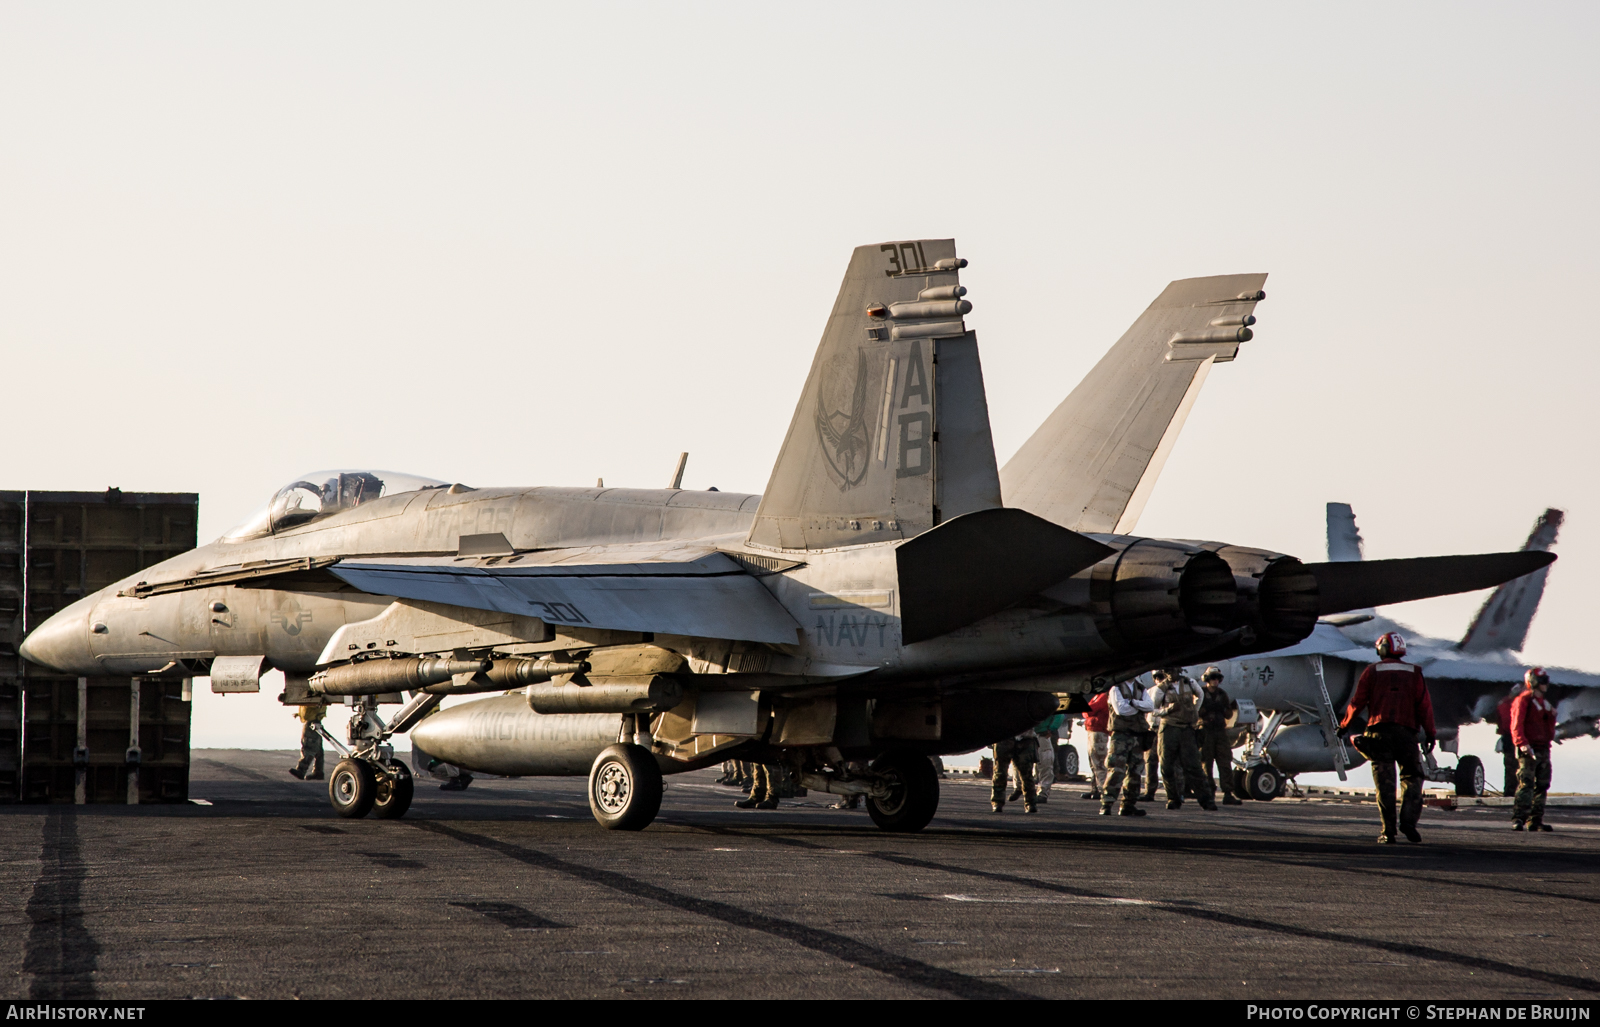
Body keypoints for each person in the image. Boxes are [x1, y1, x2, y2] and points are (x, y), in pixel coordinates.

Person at [1339, 632, 1436, 844]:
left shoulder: (1372, 671)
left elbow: (1357, 702)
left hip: (1379, 734)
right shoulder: (1415, 672)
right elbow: (1424, 706)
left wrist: (1343, 725)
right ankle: (1409, 824)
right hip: (1407, 735)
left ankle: (1388, 832)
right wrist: (1430, 733)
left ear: (1382, 648)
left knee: (1385, 785)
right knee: (1412, 778)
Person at [1153, 667, 1215, 810]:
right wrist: (1167, 711)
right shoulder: (1161, 689)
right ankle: (1173, 798)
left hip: (1186, 729)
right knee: (1166, 766)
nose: (1171, 673)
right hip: (1169, 728)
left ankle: (1206, 800)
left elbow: (1200, 695)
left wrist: (1194, 711)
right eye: (1168, 671)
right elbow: (1153, 709)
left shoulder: (1190, 683)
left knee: (1194, 765)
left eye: (1173, 670)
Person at [1510, 667, 1558, 832]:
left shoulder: (1544, 703)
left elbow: (1548, 728)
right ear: (1534, 682)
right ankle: (1519, 819)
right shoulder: (1523, 701)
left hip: (1543, 748)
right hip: (1529, 749)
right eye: (1542, 681)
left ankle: (1536, 820)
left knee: (1542, 785)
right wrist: (1522, 743)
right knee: (1526, 784)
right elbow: (1516, 725)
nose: (1545, 684)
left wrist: (1552, 716)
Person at [1102, 678, 1154, 817]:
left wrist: (1133, 703)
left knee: (1136, 771)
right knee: (1116, 769)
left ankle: (1128, 804)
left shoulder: (1140, 688)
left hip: (1137, 735)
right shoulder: (1116, 688)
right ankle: (1107, 804)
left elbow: (1150, 706)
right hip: (1120, 736)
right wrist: (1139, 707)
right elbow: (1121, 710)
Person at [1197, 666, 1242, 805]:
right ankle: (1208, 792)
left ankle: (1228, 793)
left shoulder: (1222, 694)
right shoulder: (1201, 694)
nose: (1215, 681)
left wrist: (1222, 709)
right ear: (1207, 679)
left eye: (1217, 678)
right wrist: (1207, 709)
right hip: (1206, 731)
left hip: (1220, 731)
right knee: (1206, 762)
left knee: (1225, 761)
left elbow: (1228, 713)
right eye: (1212, 678)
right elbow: (1195, 710)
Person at [991, 729, 1037, 813]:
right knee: (1000, 772)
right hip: (1003, 737)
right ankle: (997, 802)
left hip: (1026, 738)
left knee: (1027, 773)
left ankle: (1030, 802)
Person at [1083, 690, 1111, 801]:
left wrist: (1087, 712)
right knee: (1093, 761)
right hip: (1092, 731)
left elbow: (1089, 710)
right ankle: (1095, 789)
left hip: (1099, 731)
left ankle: (1102, 790)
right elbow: (1087, 711)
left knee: (1099, 762)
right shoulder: (1097, 696)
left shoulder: (1103, 697)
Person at [1495, 686, 1522, 796]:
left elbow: (1501, 724)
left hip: (1507, 738)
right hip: (1517, 738)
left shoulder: (1502, 704)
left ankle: (1510, 792)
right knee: (1521, 766)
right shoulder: (1517, 704)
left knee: (1510, 767)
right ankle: (1519, 792)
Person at [289, 704, 326, 780]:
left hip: (311, 722)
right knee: (318, 749)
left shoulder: (313, 697)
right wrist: (300, 714)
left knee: (308, 747)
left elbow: (311, 705)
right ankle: (318, 772)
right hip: (315, 721)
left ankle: (301, 770)